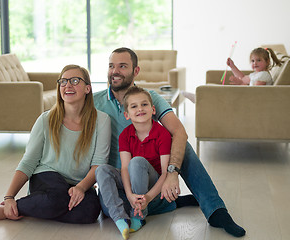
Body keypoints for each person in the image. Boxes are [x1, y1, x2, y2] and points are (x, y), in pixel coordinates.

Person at [94, 47, 245, 238]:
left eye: (122, 66)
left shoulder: (150, 98)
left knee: (182, 145)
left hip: (150, 182)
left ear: (136, 71)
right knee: (110, 201)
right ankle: (172, 203)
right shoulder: (94, 102)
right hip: (120, 189)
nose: (115, 71)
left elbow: (179, 132)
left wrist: (172, 174)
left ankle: (216, 211)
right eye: (111, 66)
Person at [0, 64, 111, 224]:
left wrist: (81, 187)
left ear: (87, 88)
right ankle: (10, 209)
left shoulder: (102, 120)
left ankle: (35, 208)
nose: (67, 85)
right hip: (47, 176)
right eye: (63, 81)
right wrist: (9, 197)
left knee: (90, 212)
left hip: (77, 183)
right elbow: (29, 161)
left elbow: (98, 164)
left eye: (74, 80)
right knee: (56, 197)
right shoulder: (46, 119)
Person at [117, 86, 173, 239]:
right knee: (106, 170)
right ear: (127, 115)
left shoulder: (162, 134)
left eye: (144, 104)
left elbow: (165, 172)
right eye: (134, 106)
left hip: (155, 186)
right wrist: (129, 195)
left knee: (137, 162)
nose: (140, 109)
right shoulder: (125, 135)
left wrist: (147, 198)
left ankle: (139, 216)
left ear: (153, 109)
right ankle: (128, 208)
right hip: (135, 186)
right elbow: (124, 169)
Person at [182, 47, 285, 103]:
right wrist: (232, 66)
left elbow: (255, 92)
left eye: (259, 60)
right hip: (249, 96)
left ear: (267, 62)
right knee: (223, 93)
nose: (255, 63)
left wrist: (241, 84)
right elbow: (243, 77)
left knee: (225, 93)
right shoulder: (257, 74)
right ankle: (200, 98)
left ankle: (200, 99)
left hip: (253, 100)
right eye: (252, 61)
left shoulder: (264, 76)